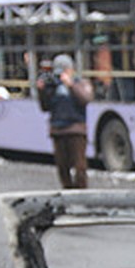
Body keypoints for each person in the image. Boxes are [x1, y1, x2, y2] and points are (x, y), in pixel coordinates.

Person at [37, 54, 93, 189]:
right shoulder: (53, 85)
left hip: (76, 129)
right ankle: (67, 190)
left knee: (80, 166)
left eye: (64, 70)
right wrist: (42, 91)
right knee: (62, 166)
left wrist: (71, 85)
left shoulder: (80, 82)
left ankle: (82, 191)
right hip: (58, 130)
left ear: (71, 69)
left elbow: (86, 99)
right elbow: (45, 107)